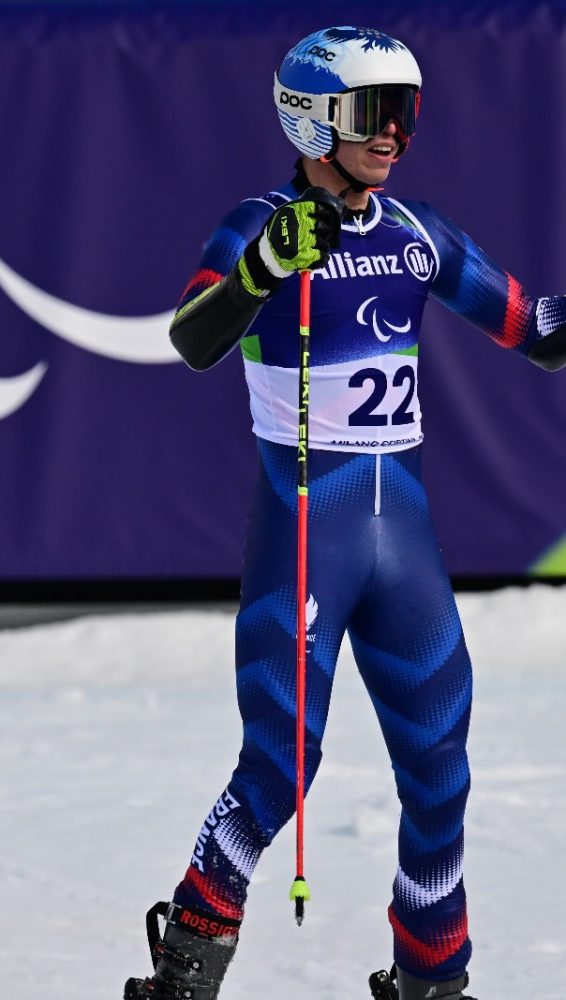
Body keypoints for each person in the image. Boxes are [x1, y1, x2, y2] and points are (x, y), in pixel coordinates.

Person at [124, 26, 566, 1000]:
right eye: (376, 113)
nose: (397, 134)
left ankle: (430, 975)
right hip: (305, 532)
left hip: (400, 539)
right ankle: (184, 970)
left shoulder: (413, 234)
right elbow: (194, 338)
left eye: (407, 111)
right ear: (311, 117)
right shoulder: (257, 223)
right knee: (278, 767)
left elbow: (530, 328)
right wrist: (261, 271)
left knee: (439, 765)